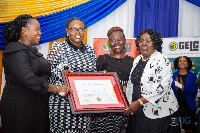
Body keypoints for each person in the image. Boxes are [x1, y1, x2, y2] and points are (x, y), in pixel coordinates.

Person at [1, 14, 71, 133]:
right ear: (24, 30)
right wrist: (57, 89)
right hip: (20, 107)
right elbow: (29, 79)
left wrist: (60, 73)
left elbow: (41, 74)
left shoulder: (30, 51)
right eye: (37, 29)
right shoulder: (14, 51)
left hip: (36, 105)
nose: (40, 32)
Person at [124, 29, 180, 133]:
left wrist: (139, 102)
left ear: (156, 43)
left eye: (148, 41)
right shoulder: (137, 60)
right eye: (141, 41)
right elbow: (133, 84)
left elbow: (161, 88)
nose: (144, 43)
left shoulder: (162, 60)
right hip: (137, 110)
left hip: (157, 111)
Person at [47, 17, 96, 132]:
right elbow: (46, 72)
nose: (78, 32)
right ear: (67, 31)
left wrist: (101, 76)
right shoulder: (58, 47)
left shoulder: (90, 50)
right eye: (73, 29)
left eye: (81, 29)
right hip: (63, 103)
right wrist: (59, 74)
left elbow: (92, 74)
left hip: (84, 102)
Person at [94, 26, 134, 132]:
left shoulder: (132, 61)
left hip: (126, 107)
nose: (116, 43)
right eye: (113, 40)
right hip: (105, 108)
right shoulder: (102, 59)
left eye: (119, 39)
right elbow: (95, 85)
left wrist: (128, 87)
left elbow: (136, 84)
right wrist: (95, 110)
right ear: (109, 43)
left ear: (125, 41)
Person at [171, 56, 198, 133]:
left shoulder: (193, 76)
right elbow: (169, 92)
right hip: (174, 106)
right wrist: (175, 87)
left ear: (188, 63)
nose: (182, 62)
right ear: (177, 63)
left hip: (188, 107)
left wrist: (183, 87)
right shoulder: (172, 75)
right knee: (174, 128)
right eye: (180, 61)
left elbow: (194, 92)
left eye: (184, 61)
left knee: (188, 129)